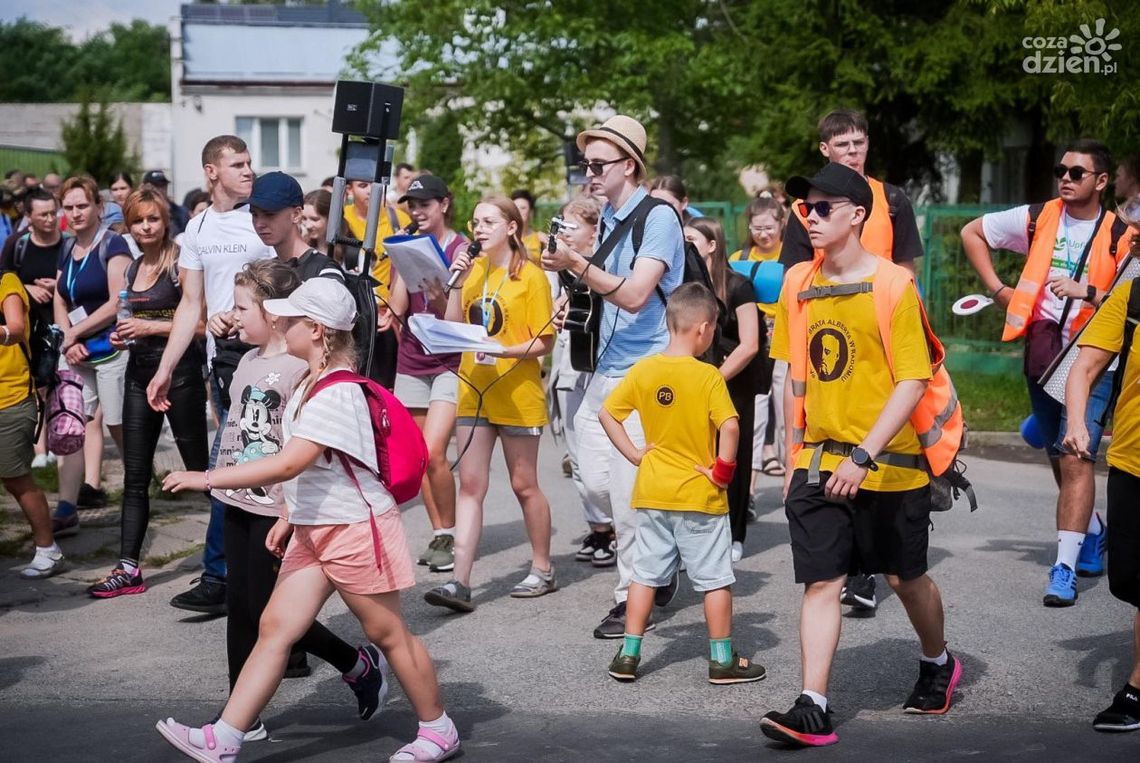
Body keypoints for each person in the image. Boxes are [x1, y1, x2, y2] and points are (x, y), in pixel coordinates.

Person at [156, 277, 460, 763]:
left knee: (388, 634)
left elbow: (291, 462)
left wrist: (207, 478)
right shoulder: (309, 381)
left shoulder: (334, 393)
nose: (281, 323)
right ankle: (226, 737)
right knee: (275, 626)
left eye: (292, 319)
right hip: (317, 526)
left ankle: (438, 729)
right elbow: (313, 473)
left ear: (316, 330)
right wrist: (289, 515)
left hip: (354, 529)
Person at [759, 164, 961, 748]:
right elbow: (793, 373)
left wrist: (865, 456)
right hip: (819, 460)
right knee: (822, 581)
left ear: (857, 216)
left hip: (888, 461)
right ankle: (812, 704)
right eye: (806, 209)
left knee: (905, 577)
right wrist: (789, 454)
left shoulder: (893, 284)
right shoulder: (798, 279)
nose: (811, 218)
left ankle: (937, 660)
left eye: (823, 208)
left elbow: (913, 380)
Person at [961, 138, 1133, 607]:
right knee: (1061, 455)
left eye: (1078, 173)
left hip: (1093, 358)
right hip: (1041, 355)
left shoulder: (1123, 235)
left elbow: (1131, 300)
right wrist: (1001, 291)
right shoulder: (1038, 217)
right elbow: (971, 233)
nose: (1065, 178)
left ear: (1101, 181)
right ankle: (1092, 529)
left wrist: (1088, 291)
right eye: (1061, 169)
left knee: (1077, 456)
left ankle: (1063, 567)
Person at [541, 115, 686, 639]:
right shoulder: (610, 217)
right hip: (604, 368)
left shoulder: (658, 218)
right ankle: (662, 552)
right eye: (586, 164)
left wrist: (576, 264)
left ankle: (631, 599)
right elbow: (604, 294)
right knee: (594, 482)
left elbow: (633, 294)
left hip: (646, 370)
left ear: (629, 165)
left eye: (598, 164)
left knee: (624, 498)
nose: (589, 174)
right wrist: (570, 303)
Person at [600, 282, 766, 686]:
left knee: (645, 575)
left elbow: (608, 414)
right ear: (705, 329)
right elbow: (729, 425)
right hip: (699, 493)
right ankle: (722, 659)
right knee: (714, 578)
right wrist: (723, 472)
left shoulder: (644, 369)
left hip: (654, 490)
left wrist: (636, 455)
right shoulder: (707, 376)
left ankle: (629, 654)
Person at [148, 134, 276, 615]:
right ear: (211, 171)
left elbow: (281, 290)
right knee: (236, 469)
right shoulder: (198, 227)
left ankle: (221, 576)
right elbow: (190, 304)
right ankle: (237, 574)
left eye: (249, 163)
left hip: (263, 363)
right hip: (219, 366)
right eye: (237, 164)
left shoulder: (259, 222)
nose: (248, 170)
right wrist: (165, 369)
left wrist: (244, 320)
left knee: (229, 468)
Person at [423, 196, 557, 612]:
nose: (478, 228)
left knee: (524, 484)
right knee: (472, 484)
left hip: (517, 395)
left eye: (488, 222)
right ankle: (459, 582)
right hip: (474, 389)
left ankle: (543, 568)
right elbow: (451, 326)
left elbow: (545, 340)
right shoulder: (473, 269)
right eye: (475, 222)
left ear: (511, 228)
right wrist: (456, 282)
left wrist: (505, 352)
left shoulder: (531, 277)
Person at [86, 188, 209, 598]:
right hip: (139, 377)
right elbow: (129, 320)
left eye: (153, 219)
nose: (146, 227)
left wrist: (150, 328)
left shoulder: (180, 262)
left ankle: (230, 559)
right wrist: (126, 338)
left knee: (203, 471)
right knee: (135, 476)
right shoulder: (133, 268)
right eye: (138, 221)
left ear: (164, 220)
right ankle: (128, 568)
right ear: (129, 225)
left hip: (181, 377)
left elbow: (201, 323)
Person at [1062, 259, 1140, 733]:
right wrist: (1075, 422)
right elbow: (1084, 367)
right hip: (1132, 458)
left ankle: (1135, 687)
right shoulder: (1132, 296)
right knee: (1129, 579)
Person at [384, 174, 465, 573]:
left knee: (435, 452)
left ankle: (450, 533)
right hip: (412, 358)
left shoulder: (461, 247)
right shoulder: (406, 241)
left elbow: (463, 314)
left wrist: (442, 298)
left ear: (444, 205)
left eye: (424, 205)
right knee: (417, 456)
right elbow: (399, 302)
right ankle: (438, 534)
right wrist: (390, 299)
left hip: (450, 361)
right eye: (411, 206)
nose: (417, 212)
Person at [51, 175, 133, 537]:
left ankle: (137, 491)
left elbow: (118, 301)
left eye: (82, 205)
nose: (75, 213)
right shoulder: (68, 248)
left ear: (99, 207)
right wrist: (66, 340)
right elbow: (59, 296)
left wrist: (74, 333)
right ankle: (67, 507)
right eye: (68, 207)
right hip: (76, 351)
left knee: (116, 423)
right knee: (70, 425)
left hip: (110, 349)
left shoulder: (113, 245)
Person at [684, 217, 762, 563]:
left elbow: (749, 344)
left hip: (734, 381)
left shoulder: (739, 286)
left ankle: (735, 532)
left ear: (712, 245)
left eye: (691, 240)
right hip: (694, 381)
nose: (684, 246)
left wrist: (714, 379)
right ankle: (697, 531)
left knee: (734, 455)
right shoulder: (686, 288)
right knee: (697, 454)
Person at [548, 198, 616, 567]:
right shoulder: (560, 267)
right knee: (576, 453)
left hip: (602, 366)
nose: (564, 235)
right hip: (571, 365)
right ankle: (599, 528)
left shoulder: (606, 264)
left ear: (594, 230)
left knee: (604, 454)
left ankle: (617, 525)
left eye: (572, 228)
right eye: (561, 226)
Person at [780, 110, 922, 275]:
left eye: (859, 142)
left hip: (881, 296)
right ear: (824, 149)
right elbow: (793, 276)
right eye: (842, 144)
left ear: (867, 143)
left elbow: (906, 272)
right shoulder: (804, 208)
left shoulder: (892, 199)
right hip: (825, 296)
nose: (853, 150)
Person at [0, 267, 65, 578]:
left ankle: (47, 548)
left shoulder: (6, 282)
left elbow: (13, 327)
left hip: (10, 400)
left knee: (15, 478)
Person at [730, 193, 788, 489]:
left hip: (786, 337)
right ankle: (748, 489)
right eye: (757, 228)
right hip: (751, 338)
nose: (763, 234)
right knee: (757, 410)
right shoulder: (738, 260)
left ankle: (793, 480)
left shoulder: (793, 257)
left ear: (781, 223)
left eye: (769, 227)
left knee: (787, 408)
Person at [343, 178, 411, 388]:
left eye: (375, 185)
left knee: (387, 383)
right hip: (353, 313)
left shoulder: (399, 219)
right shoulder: (341, 219)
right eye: (363, 185)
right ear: (349, 190)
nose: (371, 191)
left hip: (388, 315)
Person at [244, 171, 344, 284]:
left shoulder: (324, 271)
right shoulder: (264, 272)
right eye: (254, 214)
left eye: (269, 214)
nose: (259, 224)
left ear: (296, 215)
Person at [142, 170, 190, 237]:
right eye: (156, 186)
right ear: (145, 188)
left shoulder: (181, 212)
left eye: (163, 185)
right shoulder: (139, 212)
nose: (160, 189)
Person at [510, 189, 547, 262]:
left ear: (531, 212)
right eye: (515, 208)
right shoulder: (505, 238)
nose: (518, 211)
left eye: (523, 208)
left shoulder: (540, 239)